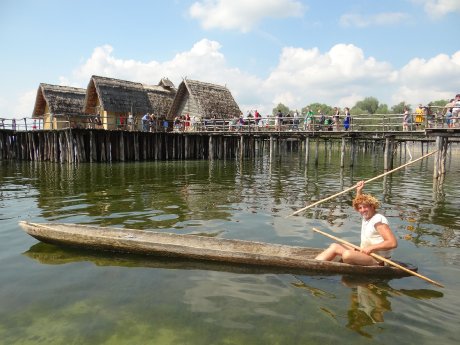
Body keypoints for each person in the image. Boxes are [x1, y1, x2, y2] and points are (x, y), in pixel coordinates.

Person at [315, 181, 398, 265]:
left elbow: (392, 243)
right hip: (365, 253)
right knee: (334, 246)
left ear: (372, 206)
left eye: (365, 207)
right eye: (360, 208)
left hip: (379, 260)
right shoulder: (367, 216)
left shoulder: (378, 220)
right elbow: (359, 202)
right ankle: (314, 264)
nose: (362, 210)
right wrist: (358, 190)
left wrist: (371, 248)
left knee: (347, 255)